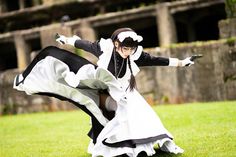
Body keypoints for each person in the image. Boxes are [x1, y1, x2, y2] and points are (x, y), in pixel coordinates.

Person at [13, 27, 194, 157]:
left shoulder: (135, 56)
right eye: (125, 48)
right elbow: (84, 44)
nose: (128, 52)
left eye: (131, 48)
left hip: (126, 94)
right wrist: (67, 40)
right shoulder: (105, 48)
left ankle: (136, 148)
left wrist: (181, 62)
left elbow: (157, 60)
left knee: (143, 118)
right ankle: (106, 147)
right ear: (116, 44)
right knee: (101, 117)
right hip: (102, 91)